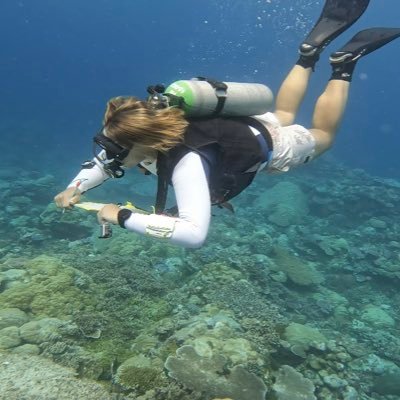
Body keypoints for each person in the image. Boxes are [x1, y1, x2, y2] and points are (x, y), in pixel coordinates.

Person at [54, 0, 400, 248]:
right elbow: (102, 165)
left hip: (275, 146)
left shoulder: (186, 163)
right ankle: (308, 54)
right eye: (107, 145)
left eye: (114, 149)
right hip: (243, 125)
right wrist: (76, 188)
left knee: (324, 136)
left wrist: (121, 216)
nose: (108, 156)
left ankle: (343, 63)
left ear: (144, 143)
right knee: (282, 114)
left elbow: (193, 233)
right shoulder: (149, 131)